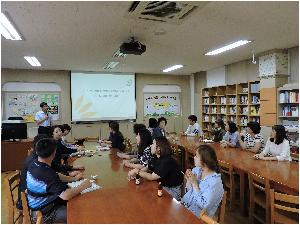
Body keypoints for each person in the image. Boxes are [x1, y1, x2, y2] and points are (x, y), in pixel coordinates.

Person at [26, 138, 93, 223]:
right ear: (54, 153)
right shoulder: (47, 173)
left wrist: (74, 179)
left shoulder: (36, 162)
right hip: (44, 211)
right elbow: (65, 195)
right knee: (79, 214)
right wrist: (83, 186)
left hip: (36, 204)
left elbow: (56, 175)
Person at [181, 145, 224, 218]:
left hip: (198, 217)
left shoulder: (215, 182)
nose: (194, 157)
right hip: (185, 207)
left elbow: (203, 206)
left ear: (204, 160)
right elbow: (189, 191)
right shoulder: (197, 170)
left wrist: (194, 184)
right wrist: (188, 181)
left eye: (196, 156)